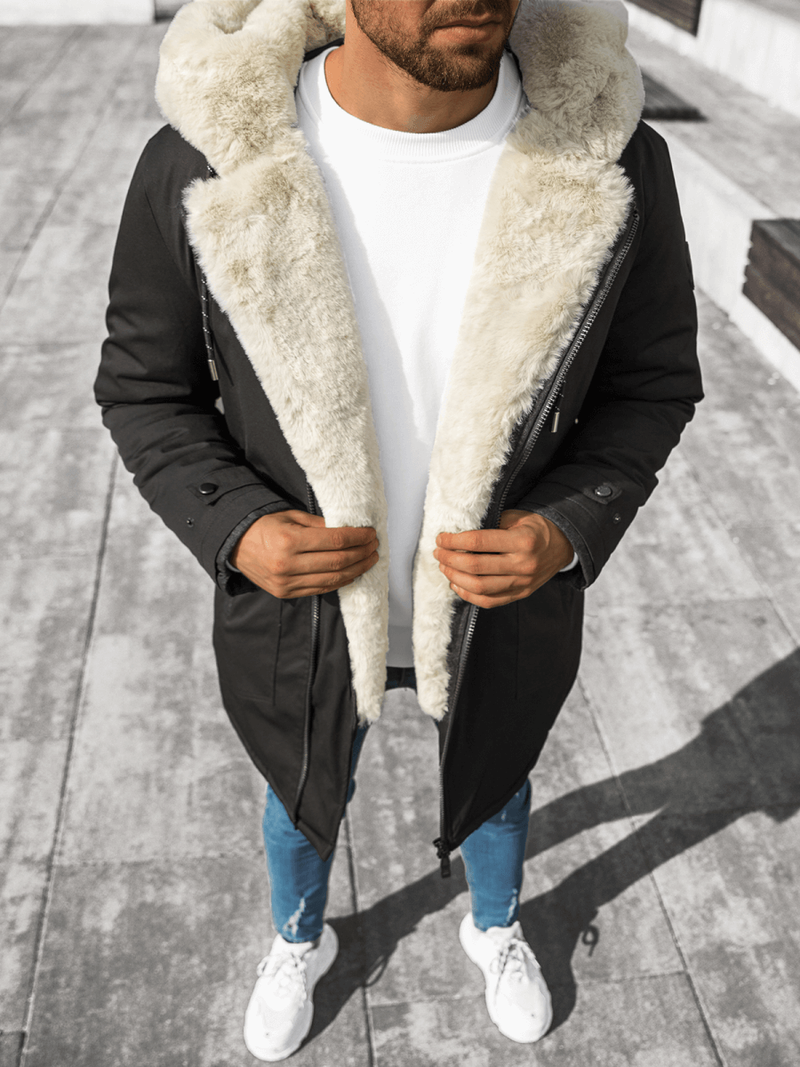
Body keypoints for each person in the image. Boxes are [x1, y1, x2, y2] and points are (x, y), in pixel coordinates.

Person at [95, 0, 702, 1058]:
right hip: (305, 612)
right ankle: (299, 936)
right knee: (296, 789)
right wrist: (238, 528)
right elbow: (145, 388)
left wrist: (564, 529)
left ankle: (493, 924)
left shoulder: (612, 155)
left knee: (497, 778)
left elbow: (651, 383)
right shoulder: (206, 156)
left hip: (497, 606)